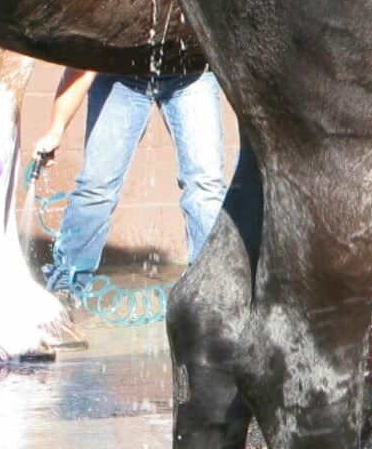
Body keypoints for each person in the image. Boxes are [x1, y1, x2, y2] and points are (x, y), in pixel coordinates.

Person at [34, 68, 228, 305]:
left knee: (206, 186)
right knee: (96, 186)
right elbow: (81, 65)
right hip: (119, 74)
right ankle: (65, 289)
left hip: (193, 73)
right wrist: (56, 129)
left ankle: (212, 293)